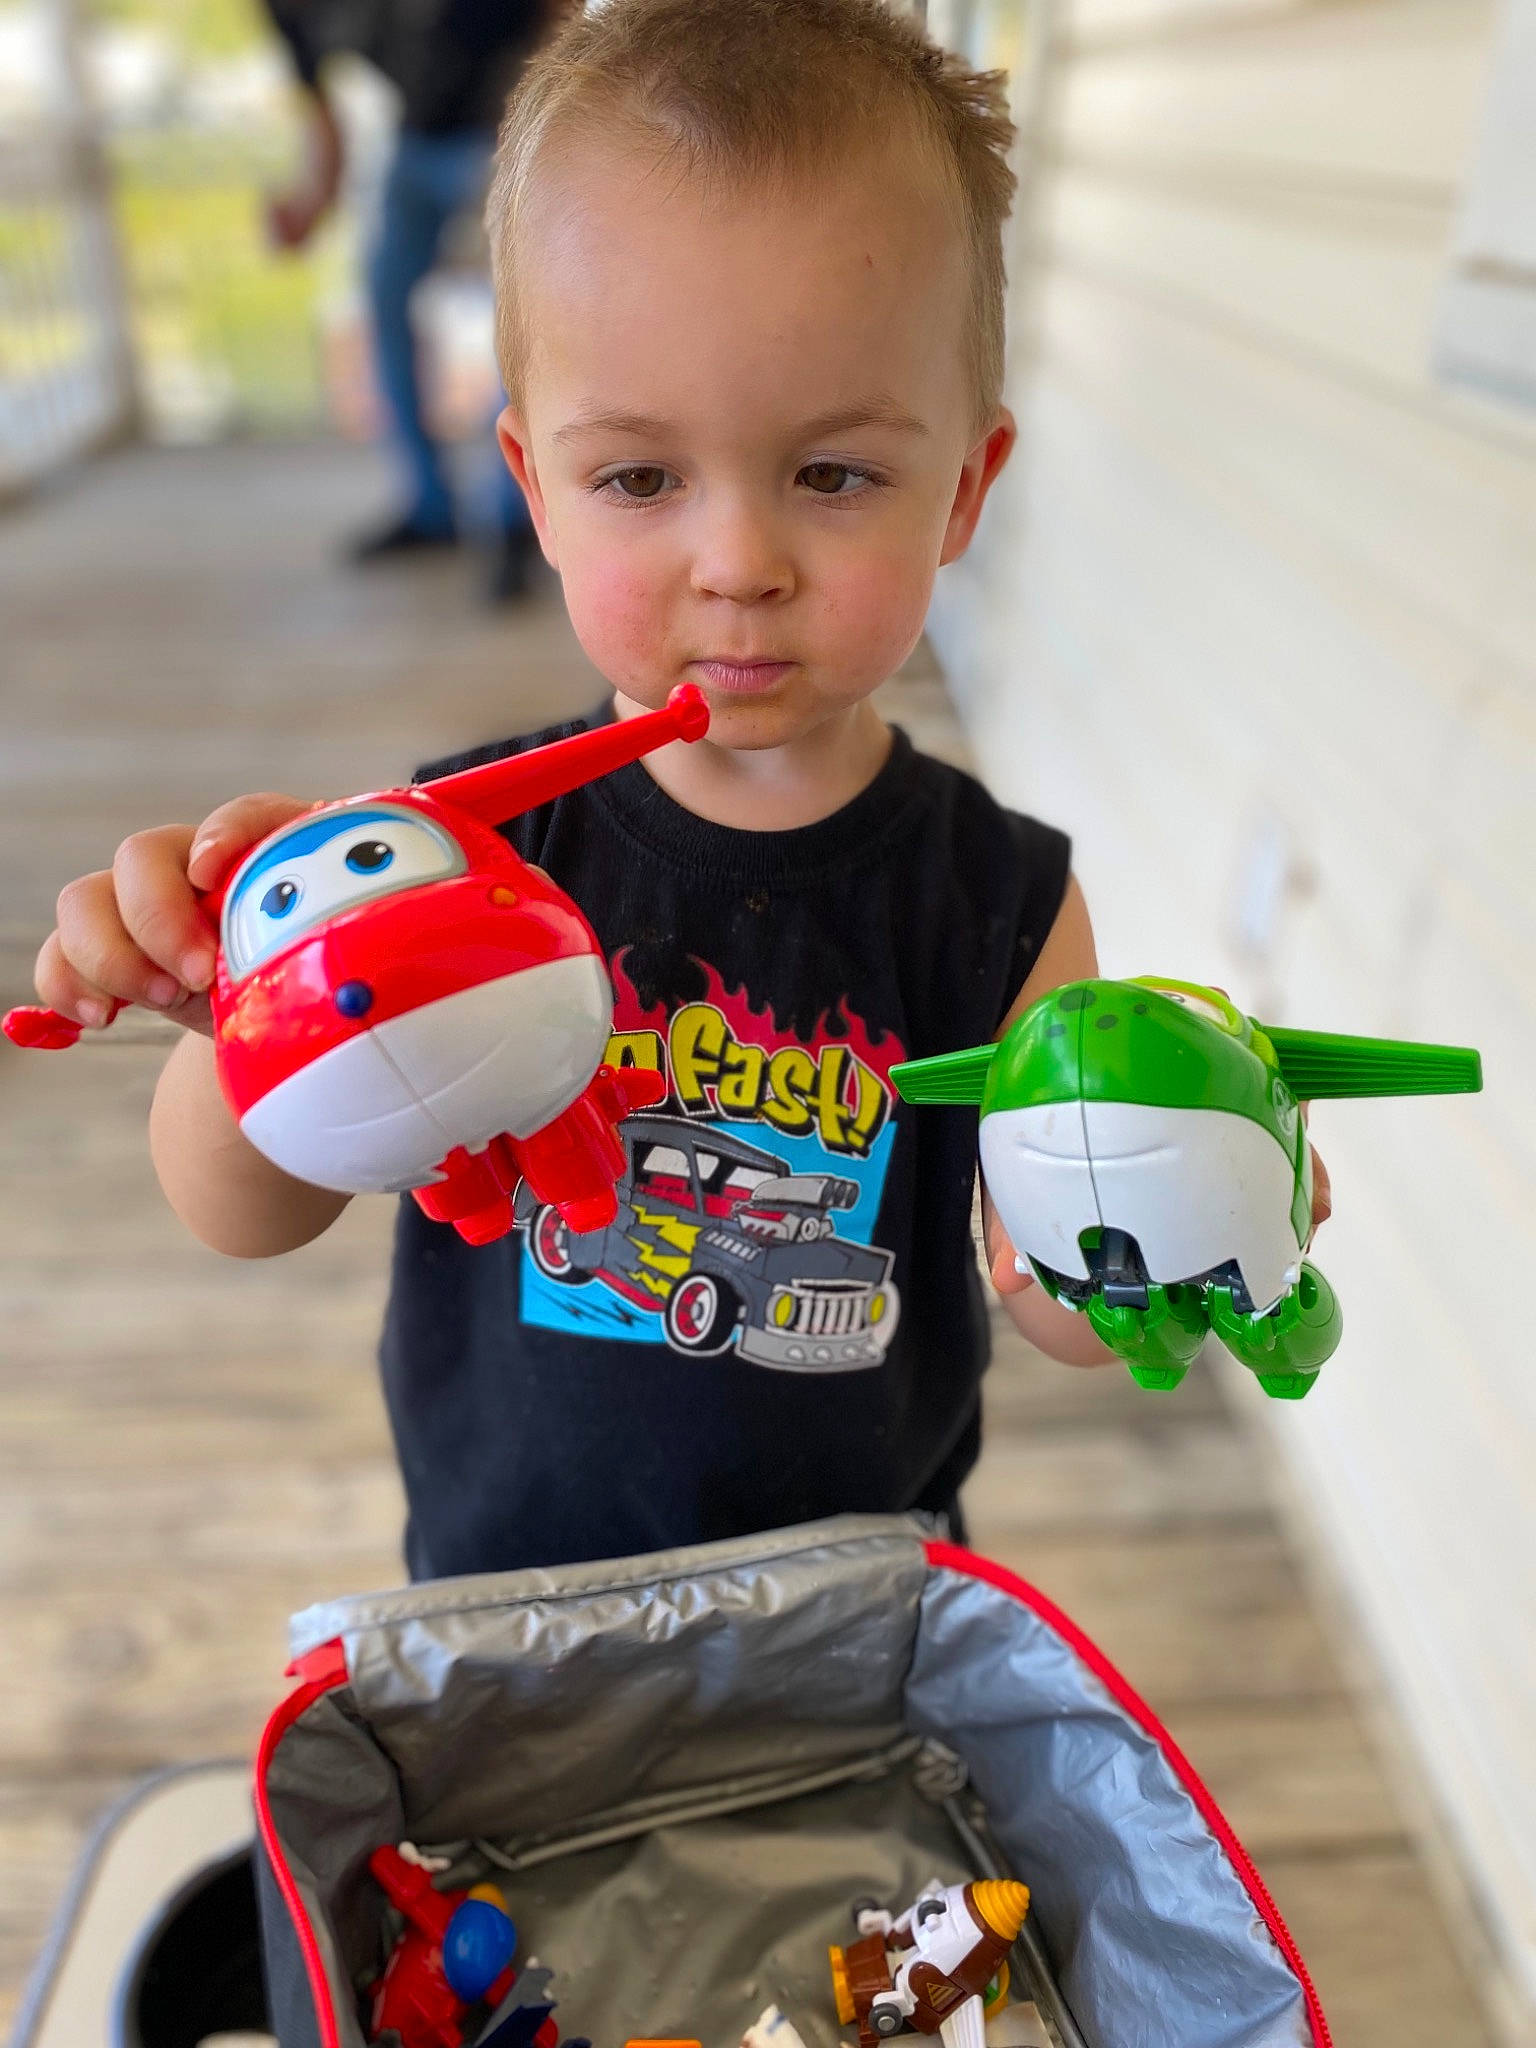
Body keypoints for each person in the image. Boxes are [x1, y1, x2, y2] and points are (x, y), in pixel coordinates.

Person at [32, 0, 1329, 1577]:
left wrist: (1182, 1209)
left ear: (962, 493)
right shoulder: (450, 855)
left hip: (858, 1630)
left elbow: (1048, 1297)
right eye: (641, 478)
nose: (738, 567)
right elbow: (246, 1214)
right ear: (537, 490)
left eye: (834, 474)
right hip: (516, 1621)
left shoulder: (1001, 899)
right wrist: (244, 1018)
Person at [264, 0, 551, 596]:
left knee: (519, 314)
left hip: (503, 126)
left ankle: (515, 520)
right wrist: (310, 204)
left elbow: (560, 15)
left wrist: (540, 128)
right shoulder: (285, 11)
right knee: (382, 301)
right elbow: (326, 119)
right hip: (416, 141)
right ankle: (430, 509)